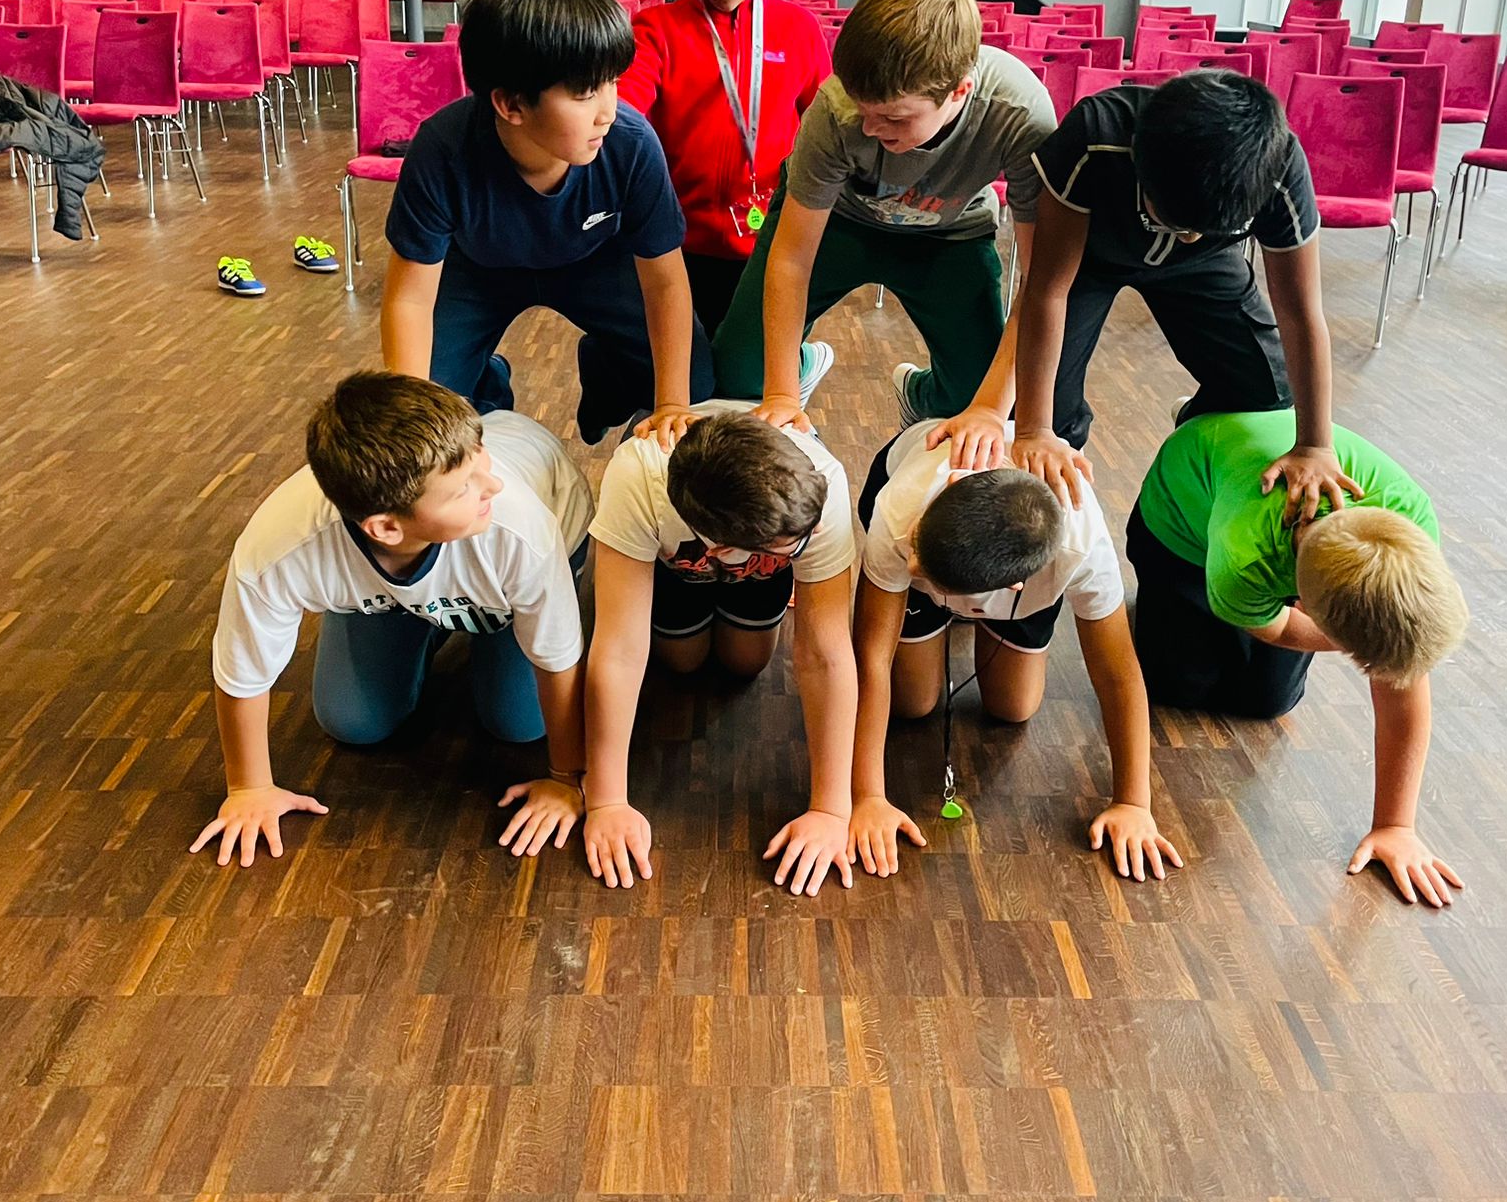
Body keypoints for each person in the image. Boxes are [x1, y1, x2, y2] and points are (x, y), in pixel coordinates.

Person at [193, 372, 593, 868]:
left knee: (518, 722)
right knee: (353, 723)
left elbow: (557, 657)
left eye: (481, 463)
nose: (492, 484)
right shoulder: (279, 544)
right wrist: (249, 788)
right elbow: (242, 673)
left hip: (537, 521)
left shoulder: (517, 524)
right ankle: (423, 615)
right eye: (463, 488)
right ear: (384, 527)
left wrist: (565, 778)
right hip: (418, 570)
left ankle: (487, 388)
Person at [1129, 409, 1469, 906]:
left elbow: (1402, 675)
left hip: (1264, 529)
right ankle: (1196, 417)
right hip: (1179, 521)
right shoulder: (1244, 560)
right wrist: (1347, 640)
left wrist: (1395, 825)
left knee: (1267, 701)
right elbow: (1280, 628)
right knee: (1175, 685)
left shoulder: (1411, 523)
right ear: (1303, 603)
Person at [711, 0, 1055, 438]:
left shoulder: (1020, 114)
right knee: (741, 371)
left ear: (958, 92)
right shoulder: (835, 109)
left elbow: (1040, 282)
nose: (870, 129)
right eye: (863, 109)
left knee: (973, 397)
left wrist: (991, 411)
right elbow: (791, 259)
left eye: (894, 118)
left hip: (946, 234)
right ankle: (805, 364)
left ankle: (920, 394)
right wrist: (783, 395)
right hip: (840, 221)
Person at [379, 0, 713, 447]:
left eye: (613, 82)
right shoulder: (442, 150)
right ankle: (485, 381)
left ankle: (607, 371)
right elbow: (409, 298)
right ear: (511, 105)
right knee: (426, 404)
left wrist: (673, 406)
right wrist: (412, 418)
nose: (608, 110)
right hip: (480, 270)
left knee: (695, 381)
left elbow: (665, 283)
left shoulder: (631, 142)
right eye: (586, 93)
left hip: (594, 261)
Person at [1011, 71, 1358, 525]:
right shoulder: (1097, 136)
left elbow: (1300, 314)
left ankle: (1195, 429)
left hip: (1204, 264)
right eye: (1174, 222)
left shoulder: (1277, 167)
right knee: (1043, 408)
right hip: (1088, 255)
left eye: (1197, 228)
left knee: (1267, 388)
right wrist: (1035, 430)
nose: (1187, 235)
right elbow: (1047, 289)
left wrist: (1315, 445)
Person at [847, 421, 1183, 883]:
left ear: (1012, 587)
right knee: (913, 703)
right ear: (951, 485)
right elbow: (870, 657)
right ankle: (937, 609)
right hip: (918, 511)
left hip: (1009, 574)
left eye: (925, 569)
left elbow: (1118, 673)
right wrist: (867, 797)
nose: (912, 564)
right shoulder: (899, 511)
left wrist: (1133, 803)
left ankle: (969, 610)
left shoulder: (1081, 549)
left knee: (1014, 706)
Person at [579, 407, 858, 895]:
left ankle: (754, 582)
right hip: (677, 560)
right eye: (795, 546)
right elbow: (619, 649)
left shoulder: (822, 482)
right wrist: (606, 800)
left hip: (750, 561)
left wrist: (832, 810)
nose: (812, 539)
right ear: (725, 549)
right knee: (682, 662)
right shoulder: (636, 475)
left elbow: (826, 653)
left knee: (745, 661)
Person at [618, 0, 832, 363]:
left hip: (772, 242)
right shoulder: (655, 31)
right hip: (678, 244)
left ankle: (803, 365)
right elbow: (624, 111)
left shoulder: (797, 30)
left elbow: (827, 125)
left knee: (751, 371)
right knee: (688, 371)